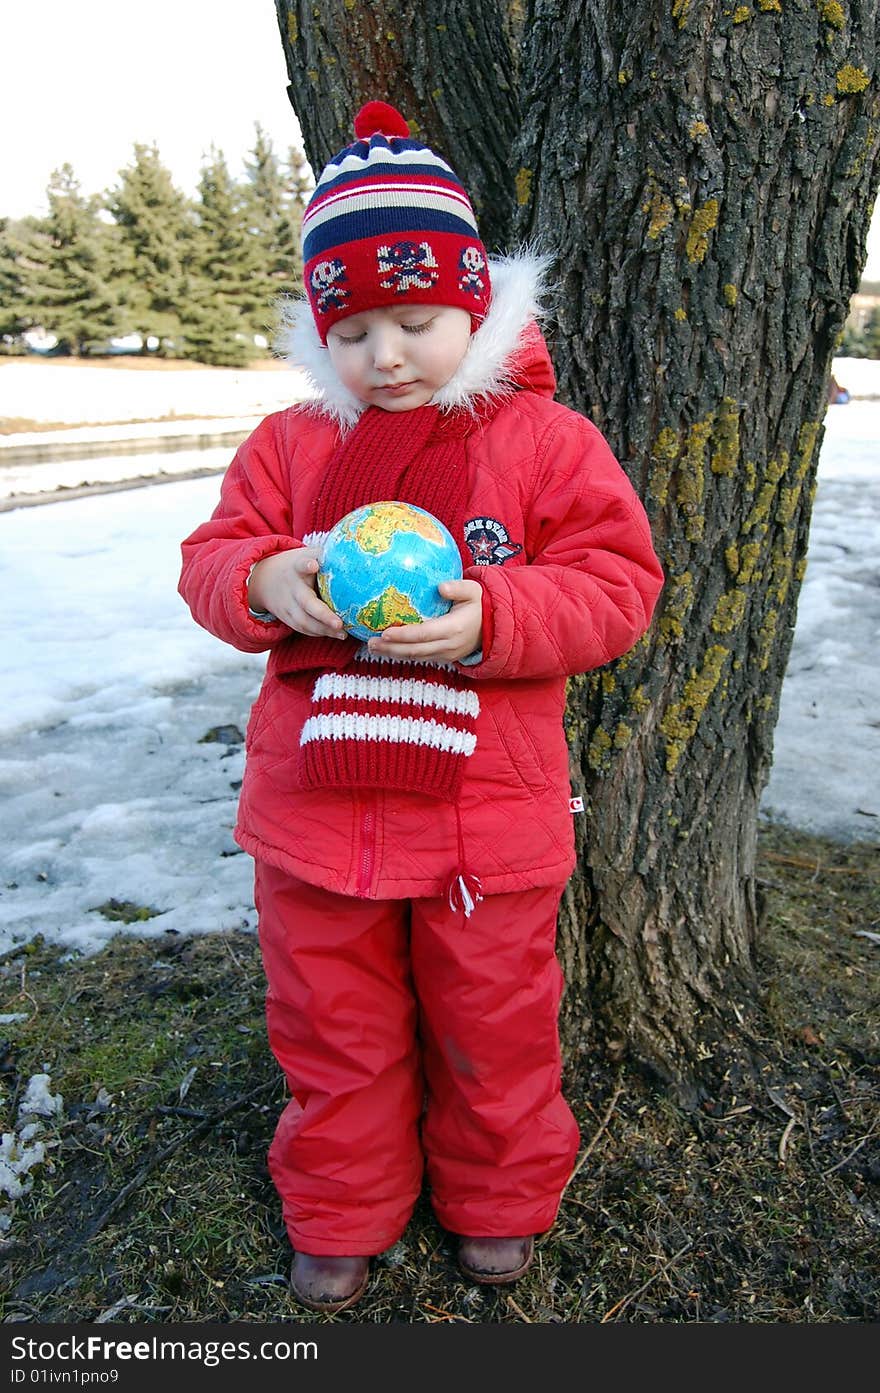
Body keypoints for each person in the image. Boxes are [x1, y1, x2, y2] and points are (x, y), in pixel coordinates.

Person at [178, 100, 664, 1314]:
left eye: (416, 321)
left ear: (475, 310)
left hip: (479, 830)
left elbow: (616, 584)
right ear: (317, 333)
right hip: (316, 824)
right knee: (331, 1029)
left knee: (492, 1028)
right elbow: (211, 556)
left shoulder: (544, 444)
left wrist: (495, 616)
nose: (385, 355)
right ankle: (341, 1207)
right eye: (351, 330)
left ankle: (498, 1202)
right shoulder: (291, 447)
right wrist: (265, 579)